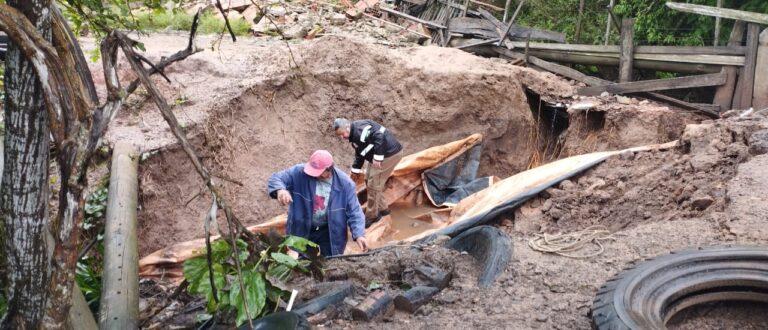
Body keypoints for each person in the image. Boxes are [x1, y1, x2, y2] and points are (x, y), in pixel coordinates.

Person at [267, 150, 369, 256]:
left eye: (318, 172)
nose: (314, 174)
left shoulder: (345, 184)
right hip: (302, 226)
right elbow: (276, 178)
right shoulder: (299, 172)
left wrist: (359, 234)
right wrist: (280, 190)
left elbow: (354, 211)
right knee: (301, 262)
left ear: (329, 170)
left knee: (330, 262)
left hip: (329, 230)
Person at [333, 118, 403, 227]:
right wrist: (355, 171)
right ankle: (383, 209)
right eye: (340, 136)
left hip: (390, 154)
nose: (343, 137)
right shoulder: (354, 135)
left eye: (343, 134)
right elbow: (360, 153)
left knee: (374, 184)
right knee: (368, 180)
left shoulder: (360, 130)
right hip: (379, 155)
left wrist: (378, 158)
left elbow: (379, 135)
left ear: (347, 127)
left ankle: (372, 216)